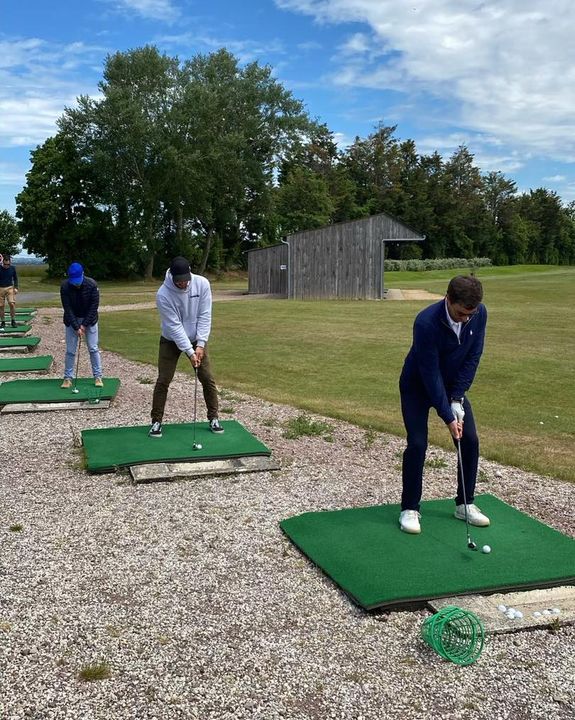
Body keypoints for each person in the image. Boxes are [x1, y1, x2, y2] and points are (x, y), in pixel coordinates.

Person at [398, 275, 488, 534]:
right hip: (417, 386)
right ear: (448, 299)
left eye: (470, 314)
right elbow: (430, 373)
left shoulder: (479, 314)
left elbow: (473, 356)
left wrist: (457, 398)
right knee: (417, 443)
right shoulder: (426, 322)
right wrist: (448, 416)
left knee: (469, 439)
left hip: (452, 387)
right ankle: (410, 508)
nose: (465, 319)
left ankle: (465, 504)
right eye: (460, 313)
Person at [149, 256, 223, 437]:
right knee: (163, 380)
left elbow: (205, 315)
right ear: (172, 277)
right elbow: (174, 326)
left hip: (197, 339)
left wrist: (200, 344)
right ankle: (156, 421)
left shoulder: (202, 284)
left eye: (185, 280)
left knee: (207, 378)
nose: (183, 284)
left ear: (190, 272)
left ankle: (214, 418)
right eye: (179, 281)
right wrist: (190, 352)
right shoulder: (163, 294)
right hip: (170, 339)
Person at [60, 262, 104, 388]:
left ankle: (98, 376)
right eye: (74, 281)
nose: (76, 284)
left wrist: (84, 325)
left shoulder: (92, 285)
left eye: (78, 280)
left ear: (83, 274)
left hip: (90, 319)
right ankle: (67, 378)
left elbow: (93, 307)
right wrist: (76, 326)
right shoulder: (65, 286)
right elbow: (67, 308)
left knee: (93, 348)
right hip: (71, 320)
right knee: (70, 350)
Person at [0, 254, 19, 330]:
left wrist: (16, 287)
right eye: (5, 264)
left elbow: (15, 278)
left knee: (12, 304)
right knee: (1, 306)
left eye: (8, 264)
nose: (6, 266)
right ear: (2, 262)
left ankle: (13, 320)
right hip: (0, 288)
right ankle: (3, 322)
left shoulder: (12, 268)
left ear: (10, 262)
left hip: (10, 288)